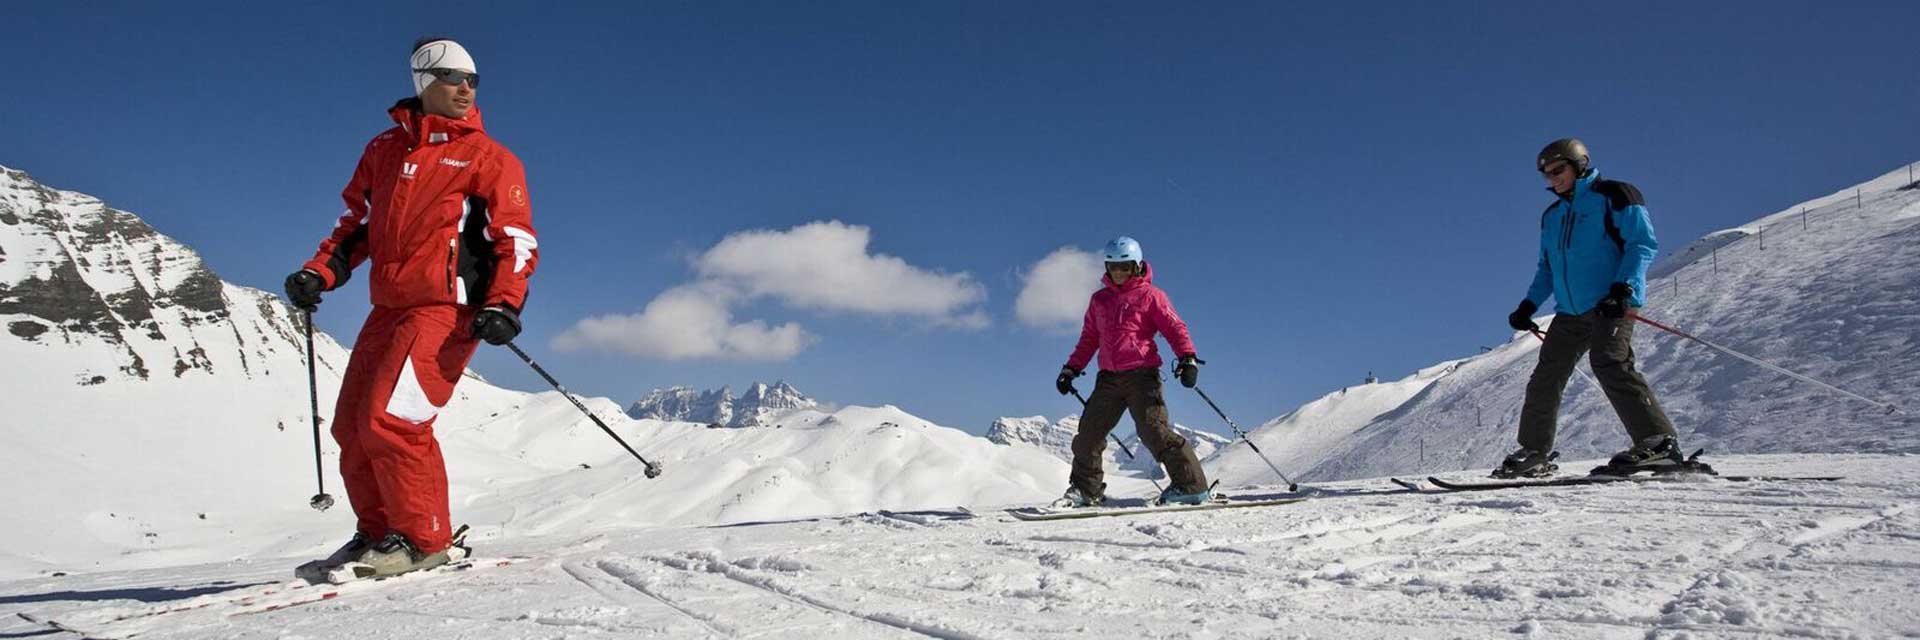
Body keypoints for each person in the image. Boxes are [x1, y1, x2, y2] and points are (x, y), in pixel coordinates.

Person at [284, 36, 538, 578]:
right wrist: (320, 271)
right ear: (424, 81)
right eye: (452, 76)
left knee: (394, 419)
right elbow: (356, 227)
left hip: (448, 308)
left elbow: (515, 239)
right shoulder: (383, 150)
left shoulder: (488, 157)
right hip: (389, 306)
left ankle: (424, 540)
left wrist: (504, 303)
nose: (466, 87)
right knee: (352, 424)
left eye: (473, 79)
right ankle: (379, 535)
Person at [1499, 138, 1681, 478]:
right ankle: (1534, 452)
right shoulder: (1552, 216)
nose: (1553, 179)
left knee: (1609, 361)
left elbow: (1641, 244)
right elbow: (1547, 268)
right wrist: (1528, 305)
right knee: (1546, 376)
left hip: (1610, 303)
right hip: (1569, 310)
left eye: (1558, 170)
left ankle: (1658, 443)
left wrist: (1623, 288)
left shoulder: (1615, 195)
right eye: (1547, 175)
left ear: (1579, 163)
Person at [1053, 236, 1211, 506]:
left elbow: (1174, 328)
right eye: (1113, 268)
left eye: (1124, 267)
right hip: (1108, 379)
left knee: (1153, 431)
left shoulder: (1151, 296)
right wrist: (1071, 369)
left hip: (1142, 375)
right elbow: (1089, 339)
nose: (1118, 273)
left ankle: (1190, 486)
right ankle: (1085, 490)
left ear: (1137, 266)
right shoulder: (1099, 301)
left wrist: (1187, 358)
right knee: (1088, 434)